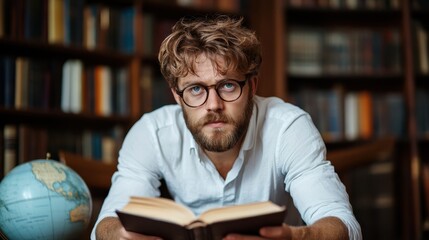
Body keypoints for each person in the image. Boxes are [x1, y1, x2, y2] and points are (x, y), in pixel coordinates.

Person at [92, 15, 362, 240]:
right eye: (196, 89)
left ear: (252, 87)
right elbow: (105, 226)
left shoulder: (288, 128)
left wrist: (294, 237)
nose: (214, 105)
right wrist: (120, 235)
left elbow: (344, 226)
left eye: (227, 85)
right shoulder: (152, 133)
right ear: (177, 95)